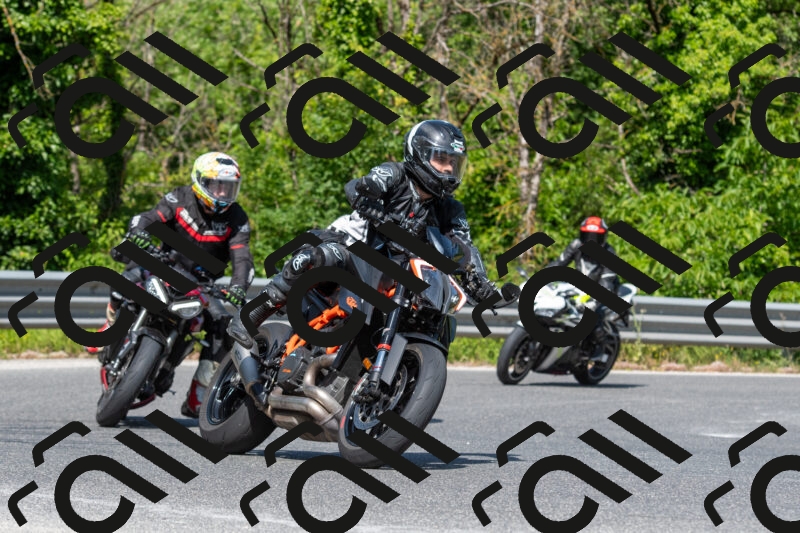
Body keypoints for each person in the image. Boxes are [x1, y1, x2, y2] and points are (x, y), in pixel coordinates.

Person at [225, 119, 502, 403]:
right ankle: (253, 313)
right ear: (419, 154)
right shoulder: (394, 173)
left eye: (453, 163)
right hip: (354, 249)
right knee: (314, 257)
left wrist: (479, 281)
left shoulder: (451, 209)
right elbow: (362, 186)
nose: (448, 169)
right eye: (441, 159)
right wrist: (369, 198)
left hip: (397, 273)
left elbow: (464, 246)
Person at [87, 152, 255, 418]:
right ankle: (110, 326)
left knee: (223, 326)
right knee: (125, 279)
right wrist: (138, 234)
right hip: (161, 264)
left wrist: (238, 288)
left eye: (229, 187)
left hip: (200, 285)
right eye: (216, 185)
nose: (223, 193)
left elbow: (242, 258)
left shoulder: (237, 218)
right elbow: (147, 218)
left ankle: (200, 393)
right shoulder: (180, 197)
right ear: (200, 181)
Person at [546, 216, 620, 352]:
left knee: (593, 319)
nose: (591, 242)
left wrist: (595, 301)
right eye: (587, 236)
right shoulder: (575, 245)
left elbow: (607, 281)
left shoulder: (609, 253)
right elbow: (558, 263)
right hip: (580, 287)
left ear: (604, 238)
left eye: (595, 238)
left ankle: (597, 349)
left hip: (605, 291)